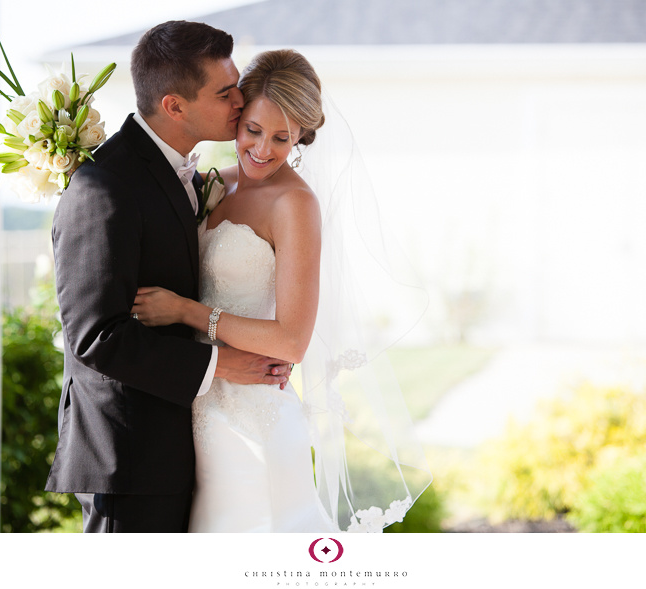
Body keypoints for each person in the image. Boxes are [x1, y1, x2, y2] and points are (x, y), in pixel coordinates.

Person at [131, 49, 432, 532]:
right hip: (196, 399)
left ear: (301, 138)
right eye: (252, 129)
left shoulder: (294, 204)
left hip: (252, 414)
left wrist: (188, 312)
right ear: (237, 113)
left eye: (282, 138)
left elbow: (291, 341)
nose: (262, 150)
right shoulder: (213, 184)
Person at [45, 21, 292, 533]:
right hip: (129, 461)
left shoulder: (188, 175)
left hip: (188, 448)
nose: (241, 103)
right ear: (174, 105)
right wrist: (223, 365)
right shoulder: (104, 186)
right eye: (225, 93)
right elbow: (97, 338)